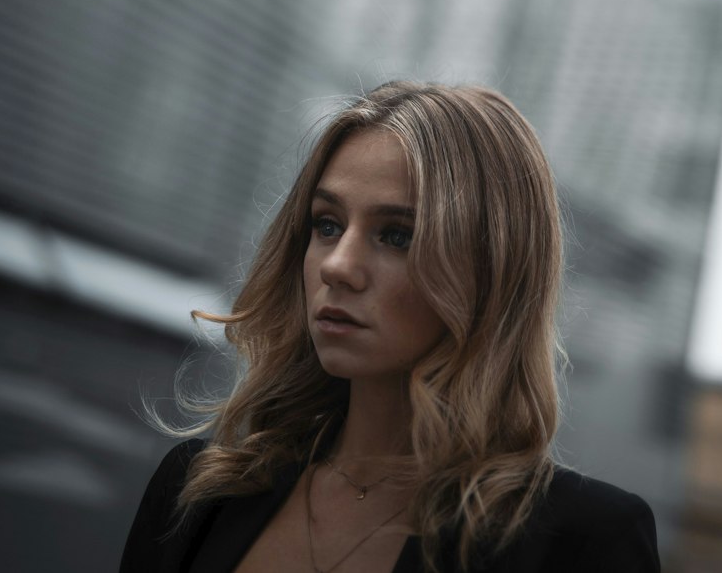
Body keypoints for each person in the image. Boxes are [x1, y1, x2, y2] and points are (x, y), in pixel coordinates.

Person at [120, 81, 661, 571]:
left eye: (396, 236)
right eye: (327, 224)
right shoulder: (196, 493)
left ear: (488, 272)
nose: (336, 265)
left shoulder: (584, 543)